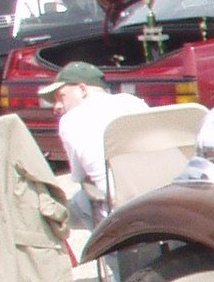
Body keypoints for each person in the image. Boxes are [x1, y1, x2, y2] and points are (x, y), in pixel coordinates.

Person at [38, 62, 149, 229]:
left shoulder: (72, 120)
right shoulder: (133, 102)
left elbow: (79, 176)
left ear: (82, 90)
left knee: (54, 214)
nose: (57, 106)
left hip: (119, 212)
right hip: (163, 199)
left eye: (61, 97)